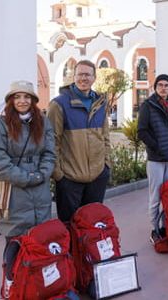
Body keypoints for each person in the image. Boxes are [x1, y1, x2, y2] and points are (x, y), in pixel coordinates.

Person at [0, 80, 56, 297]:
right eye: (17, 97)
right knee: (15, 239)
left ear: (33, 101)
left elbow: (49, 153)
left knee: (37, 238)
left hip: (39, 188)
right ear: (10, 100)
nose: (22, 101)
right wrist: (25, 178)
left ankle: (33, 283)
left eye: (26, 97)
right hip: (12, 190)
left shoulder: (42, 122)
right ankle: (11, 282)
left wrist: (41, 174)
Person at [47, 60, 111, 222]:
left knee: (93, 225)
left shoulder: (100, 103)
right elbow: (51, 141)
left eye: (87, 74)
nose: (84, 78)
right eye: (80, 74)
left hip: (97, 177)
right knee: (70, 225)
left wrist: (106, 165)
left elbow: (105, 136)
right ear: (73, 77)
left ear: (94, 78)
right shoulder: (59, 104)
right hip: (69, 179)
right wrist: (58, 174)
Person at [138, 74, 168, 243]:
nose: (164, 88)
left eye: (167, 85)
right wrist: (156, 146)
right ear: (155, 87)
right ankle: (155, 228)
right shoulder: (148, 106)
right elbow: (142, 131)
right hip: (156, 159)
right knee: (155, 196)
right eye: (160, 85)